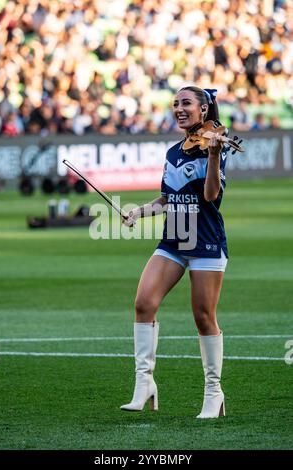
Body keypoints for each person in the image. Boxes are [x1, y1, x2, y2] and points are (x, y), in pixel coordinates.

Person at [120, 85, 230, 419]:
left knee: (203, 316)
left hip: (206, 242)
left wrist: (212, 156)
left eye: (186, 103)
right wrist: (138, 212)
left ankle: (214, 392)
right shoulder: (173, 152)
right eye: (175, 104)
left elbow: (211, 195)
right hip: (174, 240)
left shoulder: (215, 148)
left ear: (204, 110)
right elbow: (167, 199)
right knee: (144, 303)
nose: (179, 109)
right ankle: (144, 384)